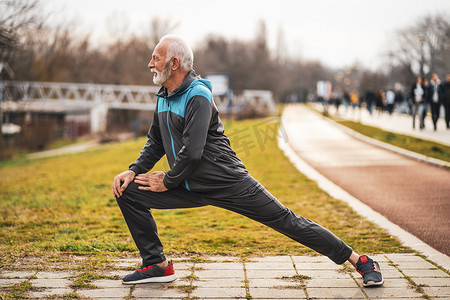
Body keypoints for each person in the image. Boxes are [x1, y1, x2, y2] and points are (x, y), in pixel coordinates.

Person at [112, 34, 384, 287]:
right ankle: (157, 264)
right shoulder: (164, 97)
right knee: (128, 192)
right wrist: (134, 170)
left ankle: (360, 261)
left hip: (227, 182)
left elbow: (193, 151)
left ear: (174, 63)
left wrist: (167, 181)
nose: (150, 64)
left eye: (156, 58)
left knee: (287, 221)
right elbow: (156, 142)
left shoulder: (198, 95)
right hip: (188, 184)